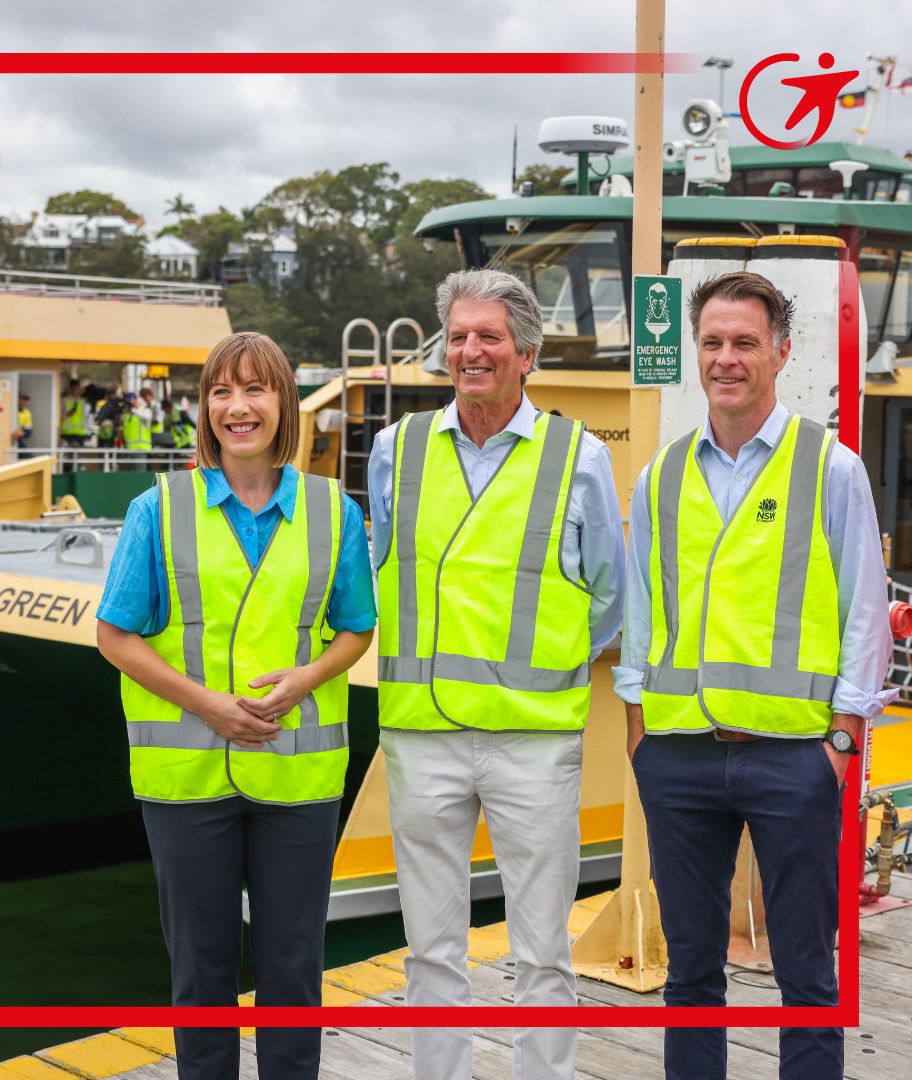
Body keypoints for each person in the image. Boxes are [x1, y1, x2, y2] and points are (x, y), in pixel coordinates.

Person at [613, 271, 895, 1080]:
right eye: (711, 342)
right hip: (678, 757)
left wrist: (842, 740)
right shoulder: (661, 476)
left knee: (806, 977)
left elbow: (864, 613)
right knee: (690, 976)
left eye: (744, 342)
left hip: (793, 758)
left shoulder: (831, 469)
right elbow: (642, 611)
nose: (725, 359)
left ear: (781, 352)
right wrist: (639, 731)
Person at [96, 331, 376, 1080]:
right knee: (201, 974)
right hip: (187, 780)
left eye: (255, 389)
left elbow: (357, 628)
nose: (237, 406)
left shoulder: (333, 511)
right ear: (205, 408)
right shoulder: (157, 510)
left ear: (284, 402)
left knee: (294, 971)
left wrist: (308, 677)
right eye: (221, 391)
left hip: (298, 777)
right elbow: (114, 635)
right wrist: (209, 706)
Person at [368, 268, 626, 1080]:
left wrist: (542, 668)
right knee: (430, 947)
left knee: (543, 949)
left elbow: (611, 598)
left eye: (489, 336)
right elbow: (383, 570)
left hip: (534, 741)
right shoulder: (395, 450)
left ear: (527, 354)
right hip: (421, 736)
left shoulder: (580, 457)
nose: (470, 351)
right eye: (458, 336)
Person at [121, 392, 153, 470]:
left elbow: (147, 417)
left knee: (140, 472)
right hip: (128, 448)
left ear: (135, 400)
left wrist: (135, 410)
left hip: (141, 447)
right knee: (130, 473)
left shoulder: (145, 410)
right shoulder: (127, 415)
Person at [13, 392, 33, 460]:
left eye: (25, 400)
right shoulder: (9, 409)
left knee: (29, 458)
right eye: (21, 399)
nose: (23, 402)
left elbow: (28, 431)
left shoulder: (26, 413)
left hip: (17, 440)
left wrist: (22, 433)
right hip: (5, 439)